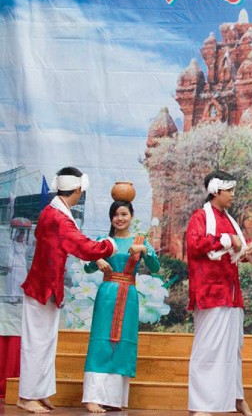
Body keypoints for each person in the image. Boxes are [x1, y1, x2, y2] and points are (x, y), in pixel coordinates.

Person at [18, 167, 116, 414]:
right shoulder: (57, 217)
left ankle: (39, 393)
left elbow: (68, 244)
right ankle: (26, 396)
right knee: (37, 343)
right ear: (79, 189)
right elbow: (81, 245)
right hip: (42, 287)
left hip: (48, 287)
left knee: (46, 342)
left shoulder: (55, 212)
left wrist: (93, 256)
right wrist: (108, 246)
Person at [185, 170, 252, 416]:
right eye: (229, 190)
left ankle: (236, 399)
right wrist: (229, 241)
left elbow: (235, 249)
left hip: (231, 295)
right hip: (210, 294)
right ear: (215, 190)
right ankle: (201, 405)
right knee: (208, 349)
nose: (233, 195)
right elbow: (195, 245)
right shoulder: (200, 217)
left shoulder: (229, 219)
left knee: (233, 350)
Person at [81, 200, 160, 413]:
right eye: (115, 215)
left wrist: (145, 250)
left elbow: (156, 268)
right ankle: (92, 397)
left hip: (129, 297)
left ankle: (113, 399)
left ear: (131, 216)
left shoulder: (140, 241)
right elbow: (88, 268)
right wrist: (96, 259)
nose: (120, 218)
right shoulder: (104, 241)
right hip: (107, 294)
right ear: (111, 219)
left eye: (124, 214)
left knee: (123, 343)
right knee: (101, 341)